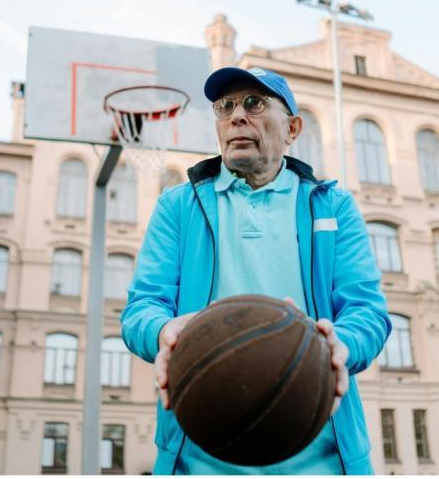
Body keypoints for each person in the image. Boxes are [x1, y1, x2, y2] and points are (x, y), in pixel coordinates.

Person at [120, 66, 391, 474]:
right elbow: (141, 310)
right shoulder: (178, 206)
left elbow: (368, 313)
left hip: (321, 458)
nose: (237, 116)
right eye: (224, 106)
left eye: (254, 103)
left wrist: (340, 345)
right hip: (199, 457)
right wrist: (164, 332)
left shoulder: (333, 206)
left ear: (293, 128)